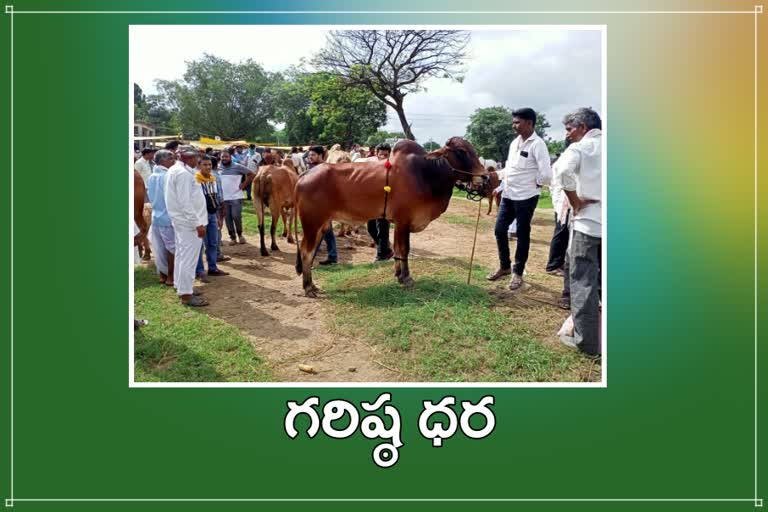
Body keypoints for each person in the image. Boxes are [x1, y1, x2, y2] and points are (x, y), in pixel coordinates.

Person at [554, 108, 602, 357]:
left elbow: (562, 173)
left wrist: (575, 201)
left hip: (589, 226)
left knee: (584, 283)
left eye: (570, 129)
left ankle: (588, 345)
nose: (568, 134)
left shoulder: (582, 148)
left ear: (582, 127)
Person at [486, 107, 552, 290]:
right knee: (500, 230)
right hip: (508, 194)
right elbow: (510, 169)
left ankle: (518, 273)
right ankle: (505, 266)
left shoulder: (538, 144)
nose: (513, 125)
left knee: (522, 234)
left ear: (529, 123)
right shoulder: (514, 143)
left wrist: (535, 184)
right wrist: (495, 176)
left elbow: (546, 175)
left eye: (517, 122)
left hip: (526, 196)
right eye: (513, 121)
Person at [165, 145, 209, 307]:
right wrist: (197, 223)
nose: (197, 159)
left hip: (182, 221)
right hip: (189, 223)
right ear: (187, 158)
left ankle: (182, 286)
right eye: (195, 157)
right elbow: (185, 202)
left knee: (182, 255)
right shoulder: (183, 174)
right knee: (188, 258)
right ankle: (186, 294)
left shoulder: (177, 170)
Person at [195, 155, 229, 279]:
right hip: (200, 216)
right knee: (199, 244)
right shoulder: (195, 180)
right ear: (199, 166)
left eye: (209, 164)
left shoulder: (212, 179)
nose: (208, 167)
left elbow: (214, 198)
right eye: (205, 164)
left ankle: (213, 267)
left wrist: (218, 216)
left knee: (213, 242)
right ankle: (199, 270)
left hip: (212, 214)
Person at [146, 150, 176, 286]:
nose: (173, 160)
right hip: (167, 218)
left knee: (159, 248)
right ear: (162, 161)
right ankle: (170, 276)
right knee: (172, 248)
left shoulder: (152, 176)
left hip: (156, 217)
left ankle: (163, 276)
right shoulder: (167, 176)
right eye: (170, 158)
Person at [307, 145, 337, 265]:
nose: (310, 157)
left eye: (313, 155)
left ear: (320, 155)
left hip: (324, 205)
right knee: (327, 231)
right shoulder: (312, 167)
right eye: (309, 155)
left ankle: (311, 257)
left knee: (319, 230)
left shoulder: (325, 169)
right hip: (316, 204)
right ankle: (333, 257)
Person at [218, 150, 255, 245]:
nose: (224, 158)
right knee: (228, 218)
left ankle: (240, 235)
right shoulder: (218, 167)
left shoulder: (237, 166)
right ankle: (232, 237)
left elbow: (251, 174)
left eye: (226, 157)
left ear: (230, 157)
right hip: (224, 198)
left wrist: (244, 184)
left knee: (236, 216)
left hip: (236, 196)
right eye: (222, 157)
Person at [366, 143, 394, 262]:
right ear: (376, 154)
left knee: (382, 229)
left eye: (385, 155)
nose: (382, 157)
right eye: (380, 154)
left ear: (389, 155)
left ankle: (381, 255)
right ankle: (387, 250)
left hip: (386, 203)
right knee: (370, 228)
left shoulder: (392, 167)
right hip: (372, 203)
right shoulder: (371, 166)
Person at [545, 147, 570, 275]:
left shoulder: (559, 162)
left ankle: (557, 263)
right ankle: (553, 265)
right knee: (562, 232)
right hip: (564, 202)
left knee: (562, 232)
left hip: (561, 201)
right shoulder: (563, 162)